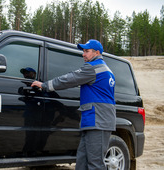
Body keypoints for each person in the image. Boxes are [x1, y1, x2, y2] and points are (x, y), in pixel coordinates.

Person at [31, 39, 116, 170]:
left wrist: (44, 85)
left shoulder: (93, 68)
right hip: (93, 121)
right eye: (83, 51)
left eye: (87, 51)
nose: (83, 54)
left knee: (95, 164)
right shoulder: (106, 69)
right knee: (82, 162)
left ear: (97, 52)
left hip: (98, 121)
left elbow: (69, 79)